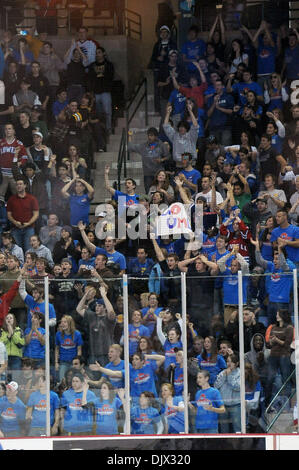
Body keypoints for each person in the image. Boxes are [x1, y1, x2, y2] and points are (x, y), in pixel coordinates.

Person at [76, 284, 116, 365]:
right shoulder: (92, 316)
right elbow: (78, 309)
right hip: (93, 354)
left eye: (100, 306)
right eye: (96, 305)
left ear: (105, 308)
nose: (97, 307)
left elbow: (111, 312)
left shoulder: (108, 319)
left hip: (106, 355)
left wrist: (104, 296)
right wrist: (86, 295)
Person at [128, 127, 170, 193]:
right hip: (148, 174)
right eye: (149, 135)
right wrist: (129, 136)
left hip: (159, 173)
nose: (149, 137)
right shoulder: (143, 146)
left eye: (152, 135)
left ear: (156, 136)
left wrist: (162, 159)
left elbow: (168, 156)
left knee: (160, 193)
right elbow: (130, 148)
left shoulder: (161, 145)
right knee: (149, 194)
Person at [6, 177, 39, 254]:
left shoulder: (32, 199)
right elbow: (9, 215)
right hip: (15, 228)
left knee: (29, 251)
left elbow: (36, 214)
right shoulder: (11, 199)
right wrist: (15, 222)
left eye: (20, 184)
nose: (18, 186)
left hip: (29, 228)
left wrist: (28, 223)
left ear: (25, 185)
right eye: (17, 184)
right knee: (17, 252)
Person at [87, 47, 114, 135]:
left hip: (105, 91)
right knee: (98, 113)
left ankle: (108, 129)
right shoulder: (92, 66)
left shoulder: (109, 65)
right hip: (96, 92)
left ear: (103, 53)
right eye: (96, 53)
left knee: (107, 112)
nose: (97, 54)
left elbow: (111, 77)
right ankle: (100, 130)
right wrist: (91, 91)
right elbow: (90, 79)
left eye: (99, 52)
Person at [188, 370, 225, 434]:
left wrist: (212, 409)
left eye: (200, 377)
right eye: (197, 378)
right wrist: (188, 403)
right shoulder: (198, 393)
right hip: (199, 427)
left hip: (211, 428)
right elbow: (196, 411)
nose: (198, 380)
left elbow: (223, 409)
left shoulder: (214, 392)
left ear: (206, 378)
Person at [214, 352, 241, 433]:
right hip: (223, 406)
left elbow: (237, 387)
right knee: (223, 430)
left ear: (236, 363)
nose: (228, 364)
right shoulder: (222, 373)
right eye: (227, 361)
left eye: (231, 362)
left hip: (236, 405)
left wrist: (229, 376)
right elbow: (216, 385)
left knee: (237, 429)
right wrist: (224, 375)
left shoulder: (240, 373)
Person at [55, 315, 83, 382]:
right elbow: (57, 349)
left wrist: (77, 362)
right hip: (63, 362)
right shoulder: (58, 334)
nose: (62, 324)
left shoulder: (77, 334)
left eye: (65, 322)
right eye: (62, 322)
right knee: (62, 381)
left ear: (70, 323)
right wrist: (56, 362)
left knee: (74, 381)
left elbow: (79, 350)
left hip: (73, 362)